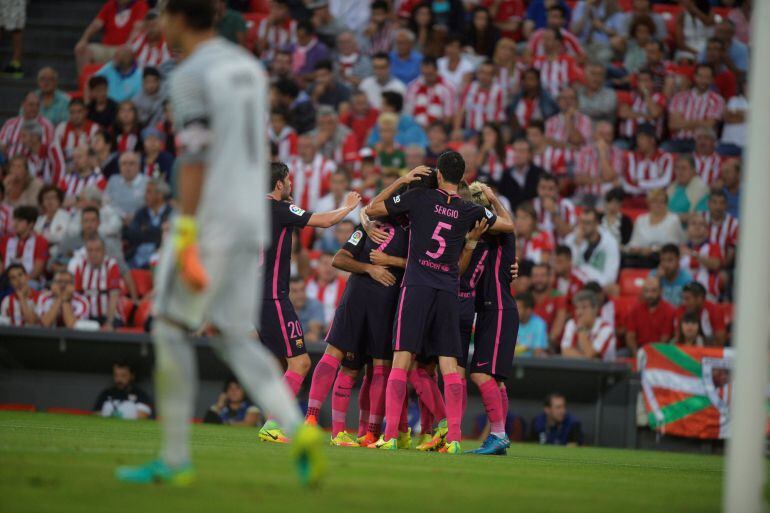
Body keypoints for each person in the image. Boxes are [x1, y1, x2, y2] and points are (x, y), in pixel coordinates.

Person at [115, 1, 325, 487]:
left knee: (168, 325)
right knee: (232, 334)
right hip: (249, 220)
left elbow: (195, 159)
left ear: (179, 18)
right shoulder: (248, 67)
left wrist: (186, 232)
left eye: (163, 15)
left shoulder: (189, 75)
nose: (159, 24)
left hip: (211, 219)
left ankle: (173, 458)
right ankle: (298, 430)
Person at [365, 153, 515, 453]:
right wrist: (492, 199)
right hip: (448, 290)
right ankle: (456, 439)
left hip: (418, 285)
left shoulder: (419, 197)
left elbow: (372, 209)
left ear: (437, 173)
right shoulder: (468, 209)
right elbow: (508, 226)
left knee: (402, 359)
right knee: (449, 365)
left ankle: (392, 435)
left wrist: (403, 179)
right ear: (462, 178)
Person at [259, 162, 361, 443]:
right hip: (272, 297)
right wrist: (349, 207)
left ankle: (273, 421)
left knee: (291, 363)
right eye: (288, 181)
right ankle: (272, 424)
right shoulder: (279, 209)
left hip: (259, 296)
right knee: (300, 363)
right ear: (279, 184)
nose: (291, 184)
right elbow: (326, 222)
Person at [305, 211, 408, 447]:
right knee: (342, 361)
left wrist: (391, 262)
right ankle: (317, 420)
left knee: (378, 369)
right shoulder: (369, 227)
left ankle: (370, 432)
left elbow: (421, 263)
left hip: (386, 306)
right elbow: (339, 259)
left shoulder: (411, 233)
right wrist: (369, 268)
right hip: (357, 300)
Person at [464, 183, 519, 456]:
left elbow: (508, 224)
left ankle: (498, 434)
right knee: (495, 380)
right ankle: (499, 437)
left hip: (498, 309)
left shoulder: (498, 232)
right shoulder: (482, 236)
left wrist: (493, 198)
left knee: (479, 373)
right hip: (491, 310)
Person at [74, 0, 149, 72]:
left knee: (125, 54)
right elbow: (96, 24)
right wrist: (83, 39)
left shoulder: (141, 4)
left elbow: (138, 27)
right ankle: (85, 82)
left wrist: (128, 44)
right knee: (81, 50)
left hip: (124, 47)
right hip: (105, 47)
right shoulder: (110, 4)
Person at [666, 64, 724, 153]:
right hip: (677, 141)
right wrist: (701, 122)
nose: (703, 80)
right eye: (700, 76)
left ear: (712, 79)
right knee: (663, 154)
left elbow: (709, 125)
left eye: (707, 77)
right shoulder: (679, 97)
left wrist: (683, 123)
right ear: (695, 77)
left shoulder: (717, 100)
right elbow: (673, 124)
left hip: (701, 143)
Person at [68, 236, 124, 329]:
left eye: (97, 250)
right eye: (90, 250)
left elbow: (114, 296)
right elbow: (76, 295)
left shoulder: (111, 265)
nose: (94, 254)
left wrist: (109, 322)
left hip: (109, 316)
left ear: (104, 252)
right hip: (87, 316)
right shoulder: (81, 266)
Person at [624, 189, 685, 267]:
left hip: (662, 260)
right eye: (654, 202)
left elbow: (673, 245)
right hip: (639, 258)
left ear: (666, 204)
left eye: (661, 202)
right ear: (649, 203)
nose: (658, 205)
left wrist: (652, 250)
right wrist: (634, 249)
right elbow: (634, 242)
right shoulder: (640, 219)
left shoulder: (673, 219)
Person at [565, 209, 620, 291]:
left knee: (613, 289)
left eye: (587, 223)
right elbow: (568, 269)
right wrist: (577, 246)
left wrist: (590, 281)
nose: (583, 226)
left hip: (599, 287)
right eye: (581, 222)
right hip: (575, 285)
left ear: (596, 224)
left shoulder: (610, 243)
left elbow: (610, 276)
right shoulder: (571, 239)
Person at [123, 179, 172, 269]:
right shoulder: (141, 212)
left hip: (160, 262)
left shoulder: (171, 213)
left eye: (149, 192)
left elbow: (165, 238)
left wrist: (146, 229)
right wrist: (157, 231)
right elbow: (132, 234)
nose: (145, 196)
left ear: (160, 195)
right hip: (136, 260)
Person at [573, 121, 624, 203]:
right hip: (584, 194)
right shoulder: (584, 152)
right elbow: (579, 179)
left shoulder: (617, 153)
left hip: (604, 195)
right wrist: (602, 181)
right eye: (601, 134)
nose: (604, 139)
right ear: (595, 135)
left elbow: (608, 176)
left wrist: (602, 152)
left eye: (608, 135)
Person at [621, 124, 674, 202]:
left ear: (652, 140)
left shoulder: (665, 158)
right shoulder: (631, 157)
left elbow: (665, 182)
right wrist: (652, 186)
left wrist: (639, 183)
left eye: (642, 138)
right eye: (638, 138)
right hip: (634, 201)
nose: (639, 141)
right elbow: (627, 186)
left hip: (658, 202)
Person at [625, 275, 676, 354]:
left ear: (661, 291)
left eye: (653, 291)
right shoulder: (635, 310)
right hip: (638, 351)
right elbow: (630, 336)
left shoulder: (669, 311)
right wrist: (637, 354)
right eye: (646, 291)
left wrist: (653, 357)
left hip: (661, 352)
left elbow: (665, 339)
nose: (649, 295)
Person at [454, 60, 506, 137]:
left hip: (488, 133)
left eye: (488, 74)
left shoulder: (498, 92)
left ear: (493, 76)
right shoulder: (470, 88)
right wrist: (456, 130)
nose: (484, 76)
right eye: (482, 72)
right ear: (478, 73)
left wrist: (487, 134)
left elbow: (498, 119)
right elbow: (461, 111)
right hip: (470, 131)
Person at [561, 290, 616, 361]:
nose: (579, 312)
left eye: (584, 307)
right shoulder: (571, 323)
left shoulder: (606, 329)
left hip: (605, 370)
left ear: (595, 309)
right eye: (577, 308)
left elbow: (590, 354)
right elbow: (565, 351)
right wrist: (584, 358)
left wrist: (581, 328)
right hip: (580, 368)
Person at [0, 206, 49, 286]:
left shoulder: (40, 241)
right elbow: (1, 264)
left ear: (31, 224)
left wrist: (19, 282)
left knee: (31, 285)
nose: (15, 224)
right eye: (14, 220)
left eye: (20, 221)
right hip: (6, 279)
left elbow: (37, 271)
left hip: (30, 280)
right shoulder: (6, 240)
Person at [617, 68, 666, 147]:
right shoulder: (632, 95)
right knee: (618, 146)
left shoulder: (659, 97)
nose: (643, 84)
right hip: (627, 138)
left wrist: (646, 93)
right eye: (640, 80)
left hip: (650, 140)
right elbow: (623, 113)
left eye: (646, 80)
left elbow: (655, 113)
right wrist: (647, 116)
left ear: (652, 82)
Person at [287, 135, 336, 212]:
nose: (302, 151)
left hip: (322, 214)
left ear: (315, 148)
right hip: (297, 216)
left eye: (306, 147)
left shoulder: (327, 166)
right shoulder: (291, 167)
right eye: (300, 147)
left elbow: (333, 191)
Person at [531, 28, 583, 99]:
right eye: (544, 39)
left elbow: (576, 84)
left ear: (557, 42)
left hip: (562, 101)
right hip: (541, 101)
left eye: (548, 39)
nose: (544, 42)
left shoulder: (568, 61)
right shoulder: (536, 61)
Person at [404, 57, 456, 128]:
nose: (427, 77)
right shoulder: (413, 87)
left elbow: (448, 116)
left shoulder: (448, 88)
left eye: (430, 74)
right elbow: (409, 112)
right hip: (416, 128)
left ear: (436, 71)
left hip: (438, 129)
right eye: (424, 74)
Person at [681, 214, 722, 302]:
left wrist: (694, 254)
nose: (697, 227)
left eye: (701, 224)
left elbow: (715, 265)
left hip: (706, 295)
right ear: (687, 229)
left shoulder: (713, 247)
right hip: (682, 294)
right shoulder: (681, 249)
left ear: (707, 231)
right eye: (693, 224)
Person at [676, 281, 727, 346]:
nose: (684, 302)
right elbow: (678, 339)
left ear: (700, 298)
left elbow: (720, 342)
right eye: (683, 299)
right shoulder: (681, 310)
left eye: (687, 299)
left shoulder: (715, 311)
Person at [498, 138, 543, 210]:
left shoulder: (539, 174)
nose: (517, 154)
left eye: (522, 151)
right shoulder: (506, 174)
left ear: (530, 154)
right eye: (515, 150)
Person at [531, 262, 568, 350]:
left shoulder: (558, 297)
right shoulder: (526, 297)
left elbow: (557, 329)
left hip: (549, 348)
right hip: (525, 345)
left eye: (542, 276)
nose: (538, 280)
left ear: (549, 278)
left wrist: (541, 344)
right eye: (535, 276)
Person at [532, 172, 576, 243]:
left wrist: (554, 213)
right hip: (537, 248)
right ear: (537, 188)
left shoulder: (566, 205)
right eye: (543, 188)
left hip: (560, 248)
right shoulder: (532, 204)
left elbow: (568, 234)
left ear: (557, 189)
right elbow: (526, 232)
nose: (546, 192)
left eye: (551, 189)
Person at [105, 151, 148, 223]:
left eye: (131, 163)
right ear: (119, 166)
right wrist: (122, 216)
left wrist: (135, 216)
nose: (127, 167)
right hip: (115, 220)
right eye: (124, 164)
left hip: (140, 221)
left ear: (138, 166)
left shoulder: (147, 182)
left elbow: (149, 206)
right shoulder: (113, 180)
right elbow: (106, 202)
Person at [667, 154, 709, 225]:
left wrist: (670, 218)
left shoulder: (702, 189)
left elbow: (699, 217)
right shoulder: (671, 187)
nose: (680, 172)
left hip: (689, 232)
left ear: (693, 171)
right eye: (677, 168)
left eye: (684, 168)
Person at [55, 98, 100, 163]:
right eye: (72, 112)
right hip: (66, 167)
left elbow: (95, 154)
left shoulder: (94, 128)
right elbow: (55, 153)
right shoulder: (62, 128)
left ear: (86, 112)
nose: (76, 116)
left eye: (79, 112)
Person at [288, 275, 325, 345]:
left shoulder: (316, 305)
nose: (300, 295)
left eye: (302, 289)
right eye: (295, 291)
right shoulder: (281, 309)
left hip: (311, 353)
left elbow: (312, 337)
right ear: (287, 293)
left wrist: (290, 341)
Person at [34, 185, 70, 253]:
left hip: (58, 252)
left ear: (59, 201)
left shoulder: (65, 216)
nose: (50, 201)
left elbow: (61, 237)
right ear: (42, 202)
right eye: (46, 198)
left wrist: (41, 235)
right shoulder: (40, 219)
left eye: (53, 198)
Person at [515, 292, 548, 357]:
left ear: (528, 311)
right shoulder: (510, 323)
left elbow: (538, 352)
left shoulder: (539, 324)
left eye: (518, 308)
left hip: (532, 365)